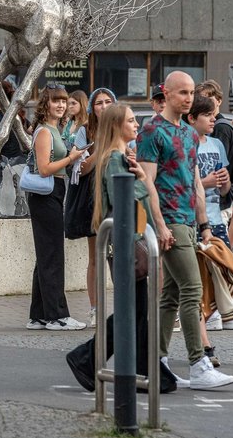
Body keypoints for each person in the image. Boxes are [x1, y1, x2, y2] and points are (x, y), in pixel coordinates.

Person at [65, 103, 179, 394]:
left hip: (129, 242)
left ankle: (141, 369)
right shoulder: (115, 159)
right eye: (130, 121)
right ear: (117, 125)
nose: (136, 125)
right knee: (134, 310)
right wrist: (143, 180)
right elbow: (125, 200)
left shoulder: (117, 157)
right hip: (128, 243)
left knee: (136, 310)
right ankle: (88, 358)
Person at [137, 71, 233, 389]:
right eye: (182, 93)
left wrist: (204, 225)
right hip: (170, 221)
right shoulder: (152, 130)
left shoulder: (189, 134)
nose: (189, 98)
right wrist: (160, 225)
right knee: (192, 290)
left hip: (188, 222)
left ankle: (159, 361)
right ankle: (198, 364)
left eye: (192, 92)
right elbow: (146, 181)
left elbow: (194, 182)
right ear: (166, 94)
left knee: (172, 294)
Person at [26, 85, 86, 331]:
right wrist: (71, 158)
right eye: (56, 101)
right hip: (46, 192)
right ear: (45, 105)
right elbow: (44, 168)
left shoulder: (53, 129)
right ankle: (57, 316)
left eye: (64, 101)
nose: (61, 105)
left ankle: (39, 315)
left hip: (52, 192)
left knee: (46, 255)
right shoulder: (44, 132)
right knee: (52, 255)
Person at [69, 87, 116, 329]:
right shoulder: (85, 132)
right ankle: (96, 309)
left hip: (118, 200)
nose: (104, 106)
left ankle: (123, 308)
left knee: (119, 257)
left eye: (108, 101)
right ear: (92, 107)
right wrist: (100, 148)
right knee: (96, 256)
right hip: (94, 201)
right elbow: (80, 169)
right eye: (99, 102)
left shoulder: (122, 127)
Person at [187, 95, 231, 246]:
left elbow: (224, 191)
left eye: (213, 114)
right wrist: (205, 183)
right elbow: (179, 189)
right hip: (192, 223)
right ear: (192, 118)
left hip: (216, 220)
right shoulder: (184, 145)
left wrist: (225, 180)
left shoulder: (217, 143)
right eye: (207, 115)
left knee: (225, 266)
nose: (213, 119)